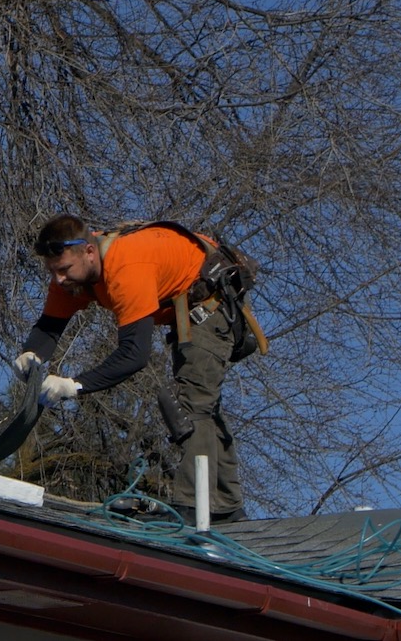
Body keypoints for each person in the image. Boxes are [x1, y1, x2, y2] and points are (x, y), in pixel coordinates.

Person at [18, 215, 252, 522]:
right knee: (199, 402)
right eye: (53, 271)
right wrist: (30, 355)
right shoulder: (73, 275)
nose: (59, 279)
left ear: (90, 252)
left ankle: (197, 507)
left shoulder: (124, 268)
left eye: (64, 270)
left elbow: (134, 355)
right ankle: (227, 506)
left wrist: (73, 385)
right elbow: (50, 326)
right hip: (184, 304)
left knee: (191, 403)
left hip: (212, 302)